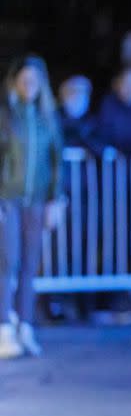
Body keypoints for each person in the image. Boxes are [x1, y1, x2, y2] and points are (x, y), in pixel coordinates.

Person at [0, 55, 65, 359]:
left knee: (29, 264)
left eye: (34, 81)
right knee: (7, 262)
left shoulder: (47, 119)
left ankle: (24, 325)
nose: (29, 86)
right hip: (8, 199)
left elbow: (56, 164)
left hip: (37, 201)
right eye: (25, 80)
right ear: (15, 82)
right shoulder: (6, 116)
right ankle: (3, 327)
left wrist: (55, 199)